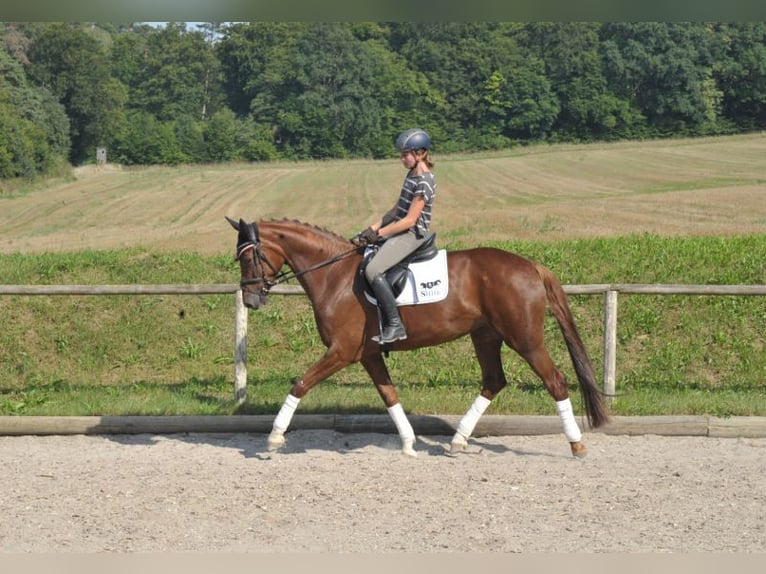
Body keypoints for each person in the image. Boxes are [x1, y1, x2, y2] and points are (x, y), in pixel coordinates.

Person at [351, 128, 437, 344]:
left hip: (411, 235)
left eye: (406, 154)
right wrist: (371, 229)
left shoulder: (425, 181)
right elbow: (396, 209)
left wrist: (378, 234)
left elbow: (409, 220)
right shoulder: (411, 175)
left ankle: (395, 325)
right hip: (399, 230)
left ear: (421, 153)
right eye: (401, 154)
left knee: (372, 269)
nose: (402, 158)